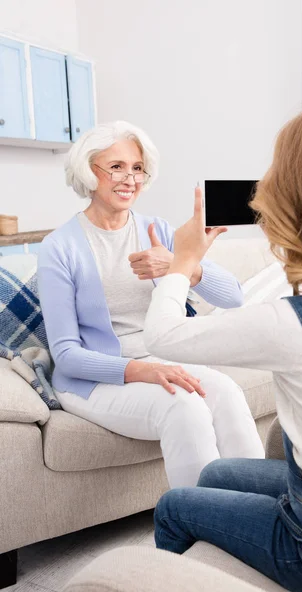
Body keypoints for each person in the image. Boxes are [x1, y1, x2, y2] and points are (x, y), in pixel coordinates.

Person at [143, 101, 302, 592]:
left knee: (174, 507)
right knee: (217, 473)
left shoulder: (288, 323)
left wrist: (184, 261)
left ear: (290, 203)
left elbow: (163, 336)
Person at [37, 121, 265, 489]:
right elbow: (66, 355)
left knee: (226, 392)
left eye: (137, 168)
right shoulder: (59, 247)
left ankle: (260, 510)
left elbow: (234, 297)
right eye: (116, 167)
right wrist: (143, 372)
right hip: (93, 379)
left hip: (164, 362)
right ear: (88, 171)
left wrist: (183, 267)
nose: (130, 178)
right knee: (185, 408)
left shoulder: (155, 230)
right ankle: (203, 519)